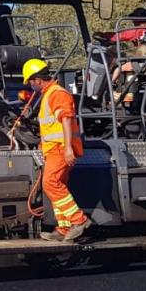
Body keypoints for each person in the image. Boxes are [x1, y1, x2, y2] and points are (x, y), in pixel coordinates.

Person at [22, 58, 91, 241]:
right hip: (54, 149)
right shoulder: (49, 94)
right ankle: (63, 229)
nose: (30, 85)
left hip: (60, 149)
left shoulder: (57, 94)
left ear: (37, 79)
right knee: (57, 187)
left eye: (30, 81)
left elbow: (66, 120)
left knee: (51, 184)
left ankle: (79, 220)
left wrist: (68, 148)